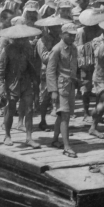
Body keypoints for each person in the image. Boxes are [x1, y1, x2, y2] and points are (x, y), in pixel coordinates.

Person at [0, 27, 41, 148]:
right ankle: (7, 135)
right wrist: (1, 89)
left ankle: (29, 137)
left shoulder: (29, 49)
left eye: (24, 39)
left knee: (29, 110)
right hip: (12, 84)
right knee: (10, 110)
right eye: (20, 39)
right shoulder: (7, 51)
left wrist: (36, 87)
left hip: (25, 82)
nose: (22, 41)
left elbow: (32, 68)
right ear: (14, 39)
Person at [46, 22, 80, 156]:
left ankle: (55, 140)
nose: (73, 38)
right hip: (61, 87)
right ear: (62, 34)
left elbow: (73, 68)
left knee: (63, 115)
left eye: (74, 35)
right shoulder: (57, 49)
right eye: (70, 35)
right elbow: (50, 70)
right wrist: (53, 91)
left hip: (70, 85)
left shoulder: (74, 48)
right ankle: (67, 146)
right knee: (65, 115)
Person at [35, 16, 65, 132]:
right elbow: (44, 58)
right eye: (55, 27)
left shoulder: (61, 39)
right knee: (45, 97)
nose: (57, 29)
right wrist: (56, 51)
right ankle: (42, 120)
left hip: (60, 70)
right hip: (46, 71)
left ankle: (59, 124)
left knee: (60, 96)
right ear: (49, 28)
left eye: (58, 26)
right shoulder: (42, 40)